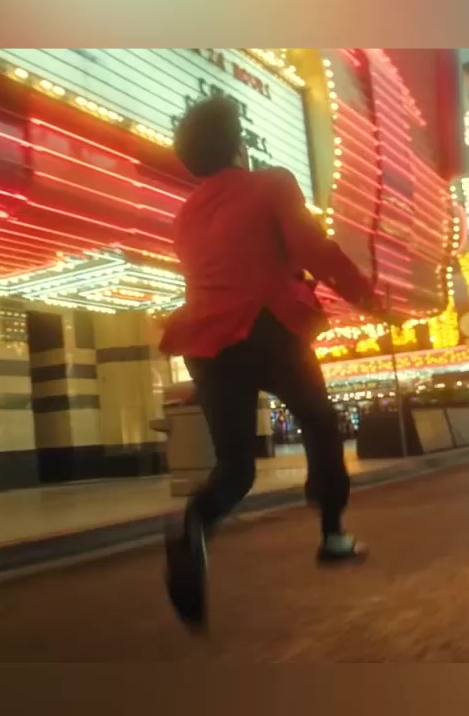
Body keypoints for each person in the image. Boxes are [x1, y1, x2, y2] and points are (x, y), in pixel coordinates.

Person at [160, 95, 397, 632]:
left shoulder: (186, 214)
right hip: (268, 327)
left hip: (207, 343)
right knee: (320, 421)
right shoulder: (271, 184)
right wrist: (366, 297)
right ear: (237, 145)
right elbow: (314, 249)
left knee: (235, 468)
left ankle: (194, 526)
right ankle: (332, 533)